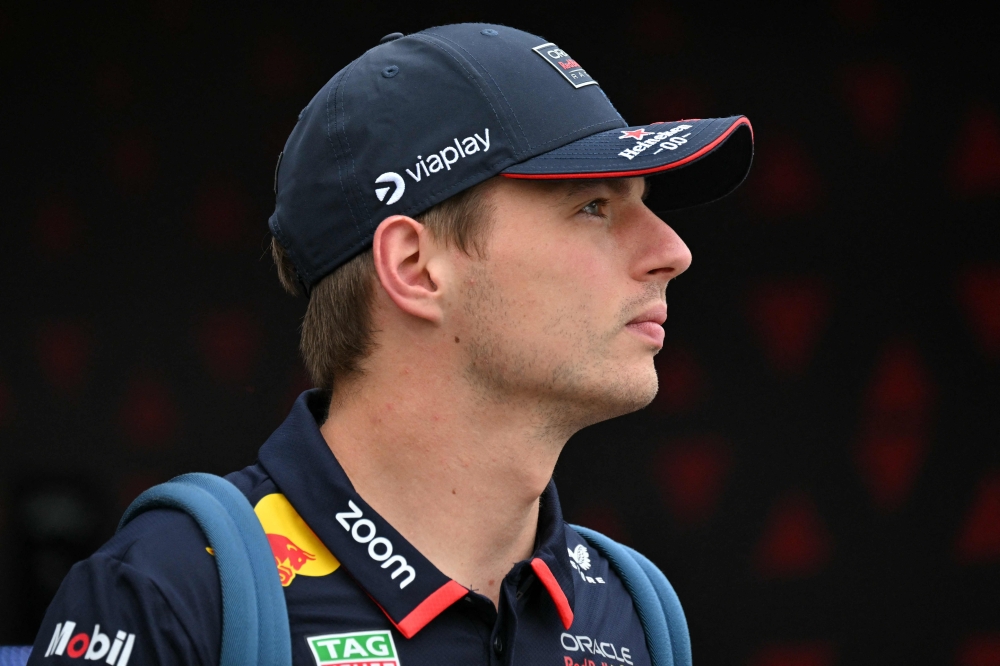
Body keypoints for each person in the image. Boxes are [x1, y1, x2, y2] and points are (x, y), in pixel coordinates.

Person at [28, 23, 752, 666]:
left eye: (643, 205)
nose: (673, 251)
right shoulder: (174, 589)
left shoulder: (633, 610)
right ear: (414, 267)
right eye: (593, 206)